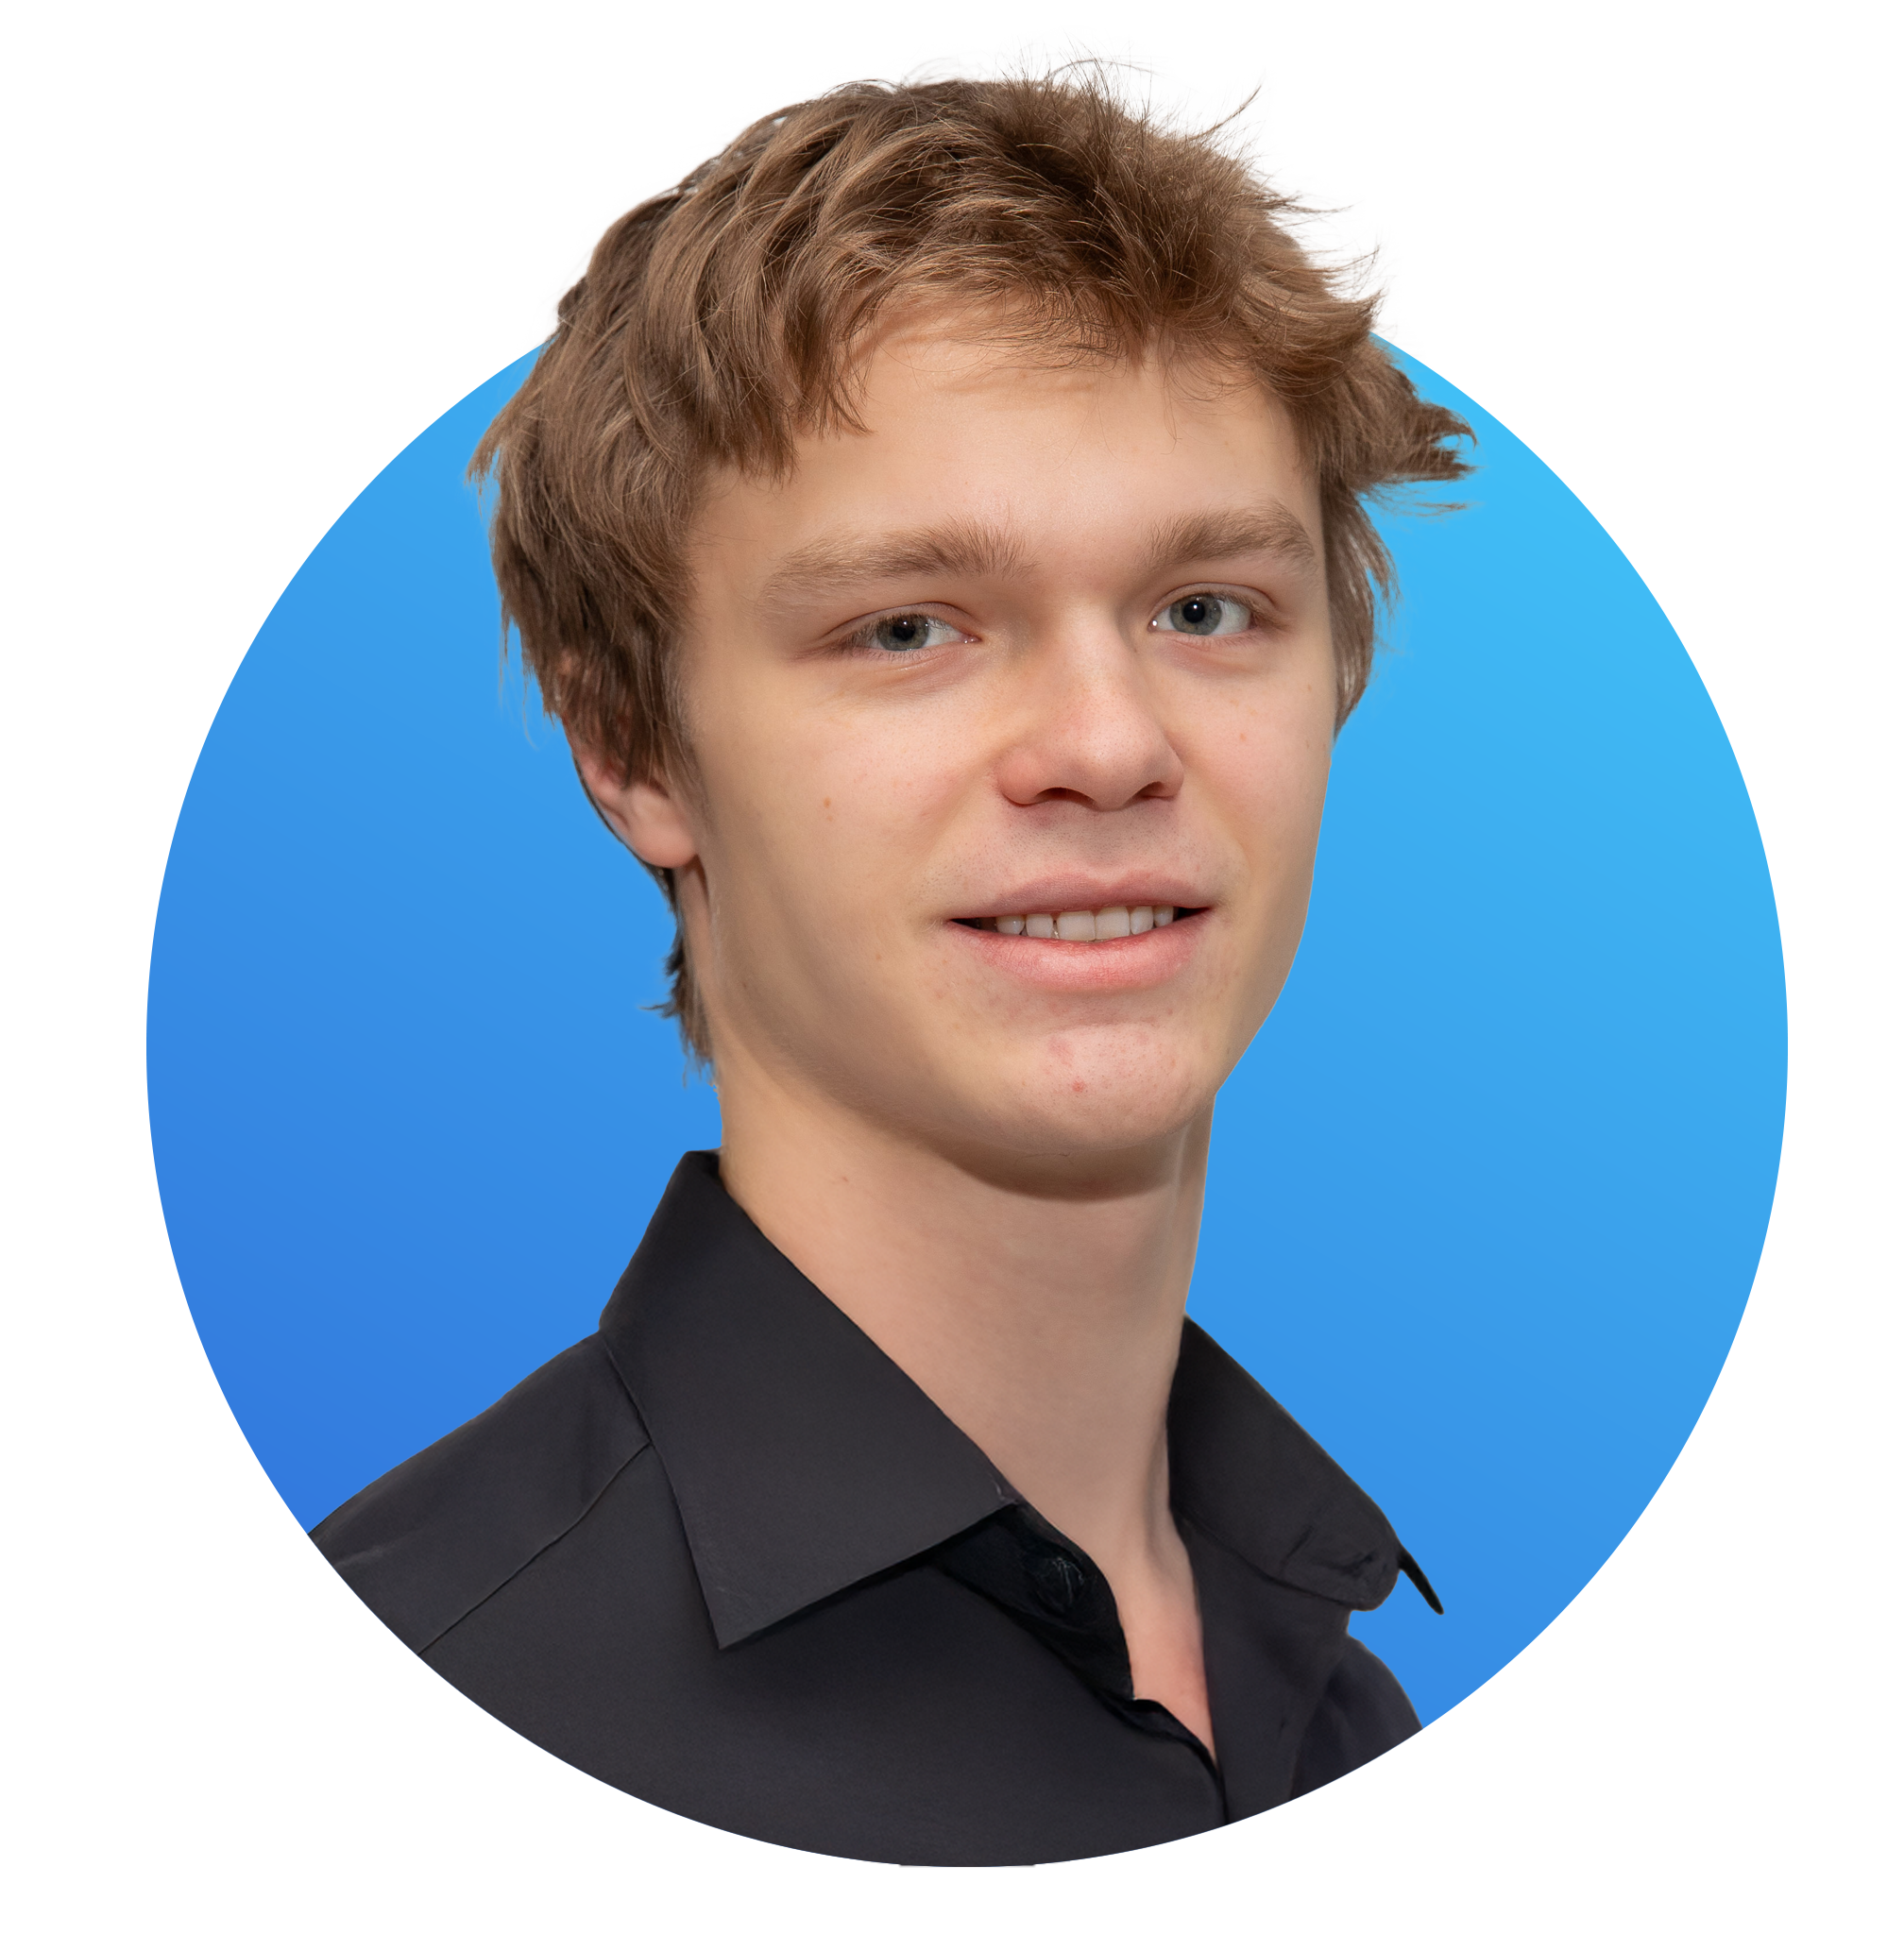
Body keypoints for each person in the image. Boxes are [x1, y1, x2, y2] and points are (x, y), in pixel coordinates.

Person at [305, 58, 1474, 1871]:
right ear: (634, 750)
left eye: (1203, 609)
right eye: (908, 626)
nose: (1107, 738)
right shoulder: (462, 1670)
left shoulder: (1355, 1707)